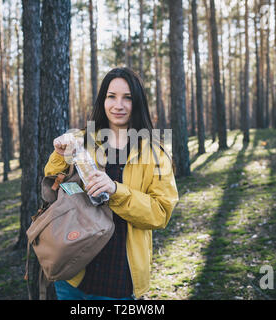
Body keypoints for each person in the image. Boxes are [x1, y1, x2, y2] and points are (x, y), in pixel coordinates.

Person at [44, 67, 179, 300]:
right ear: (102, 100)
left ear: (137, 102)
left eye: (127, 98)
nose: (119, 105)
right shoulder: (82, 140)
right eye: (111, 96)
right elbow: (53, 188)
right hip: (73, 273)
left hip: (118, 280)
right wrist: (58, 156)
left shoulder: (155, 152)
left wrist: (116, 190)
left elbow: (160, 213)